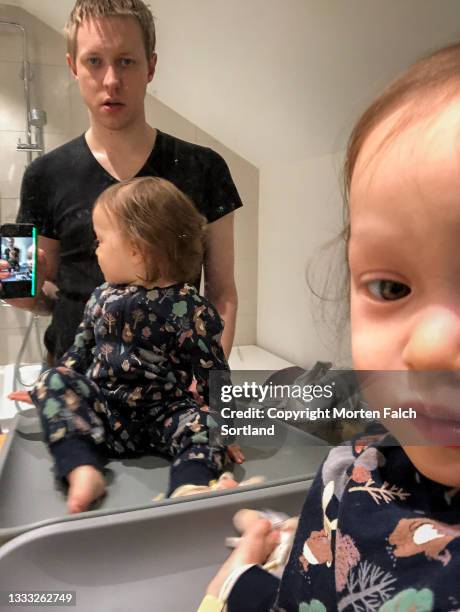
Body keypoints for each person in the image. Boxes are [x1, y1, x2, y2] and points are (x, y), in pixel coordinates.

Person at [200, 42, 460, 611]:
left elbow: (223, 301)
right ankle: (255, 553)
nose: (433, 348)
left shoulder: (204, 171)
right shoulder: (354, 465)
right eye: (391, 288)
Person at [0, 0, 241, 364]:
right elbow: (27, 291)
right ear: (73, 67)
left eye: (126, 61)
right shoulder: (43, 175)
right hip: (74, 384)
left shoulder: (205, 167)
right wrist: (23, 288)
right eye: (94, 61)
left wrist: (207, 383)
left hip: (169, 392)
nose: (111, 80)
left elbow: (222, 294)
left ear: (151, 67)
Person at [30, 176, 241, 514]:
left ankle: (190, 483)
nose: (94, 249)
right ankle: (83, 468)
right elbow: (80, 350)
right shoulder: (100, 296)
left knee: (207, 424)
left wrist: (223, 421)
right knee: (54, 379)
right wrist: (54, 387)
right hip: (103, 412)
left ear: (136, 249)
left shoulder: (189, 306)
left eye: (99, 240)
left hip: (166, 414)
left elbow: (212, 369)